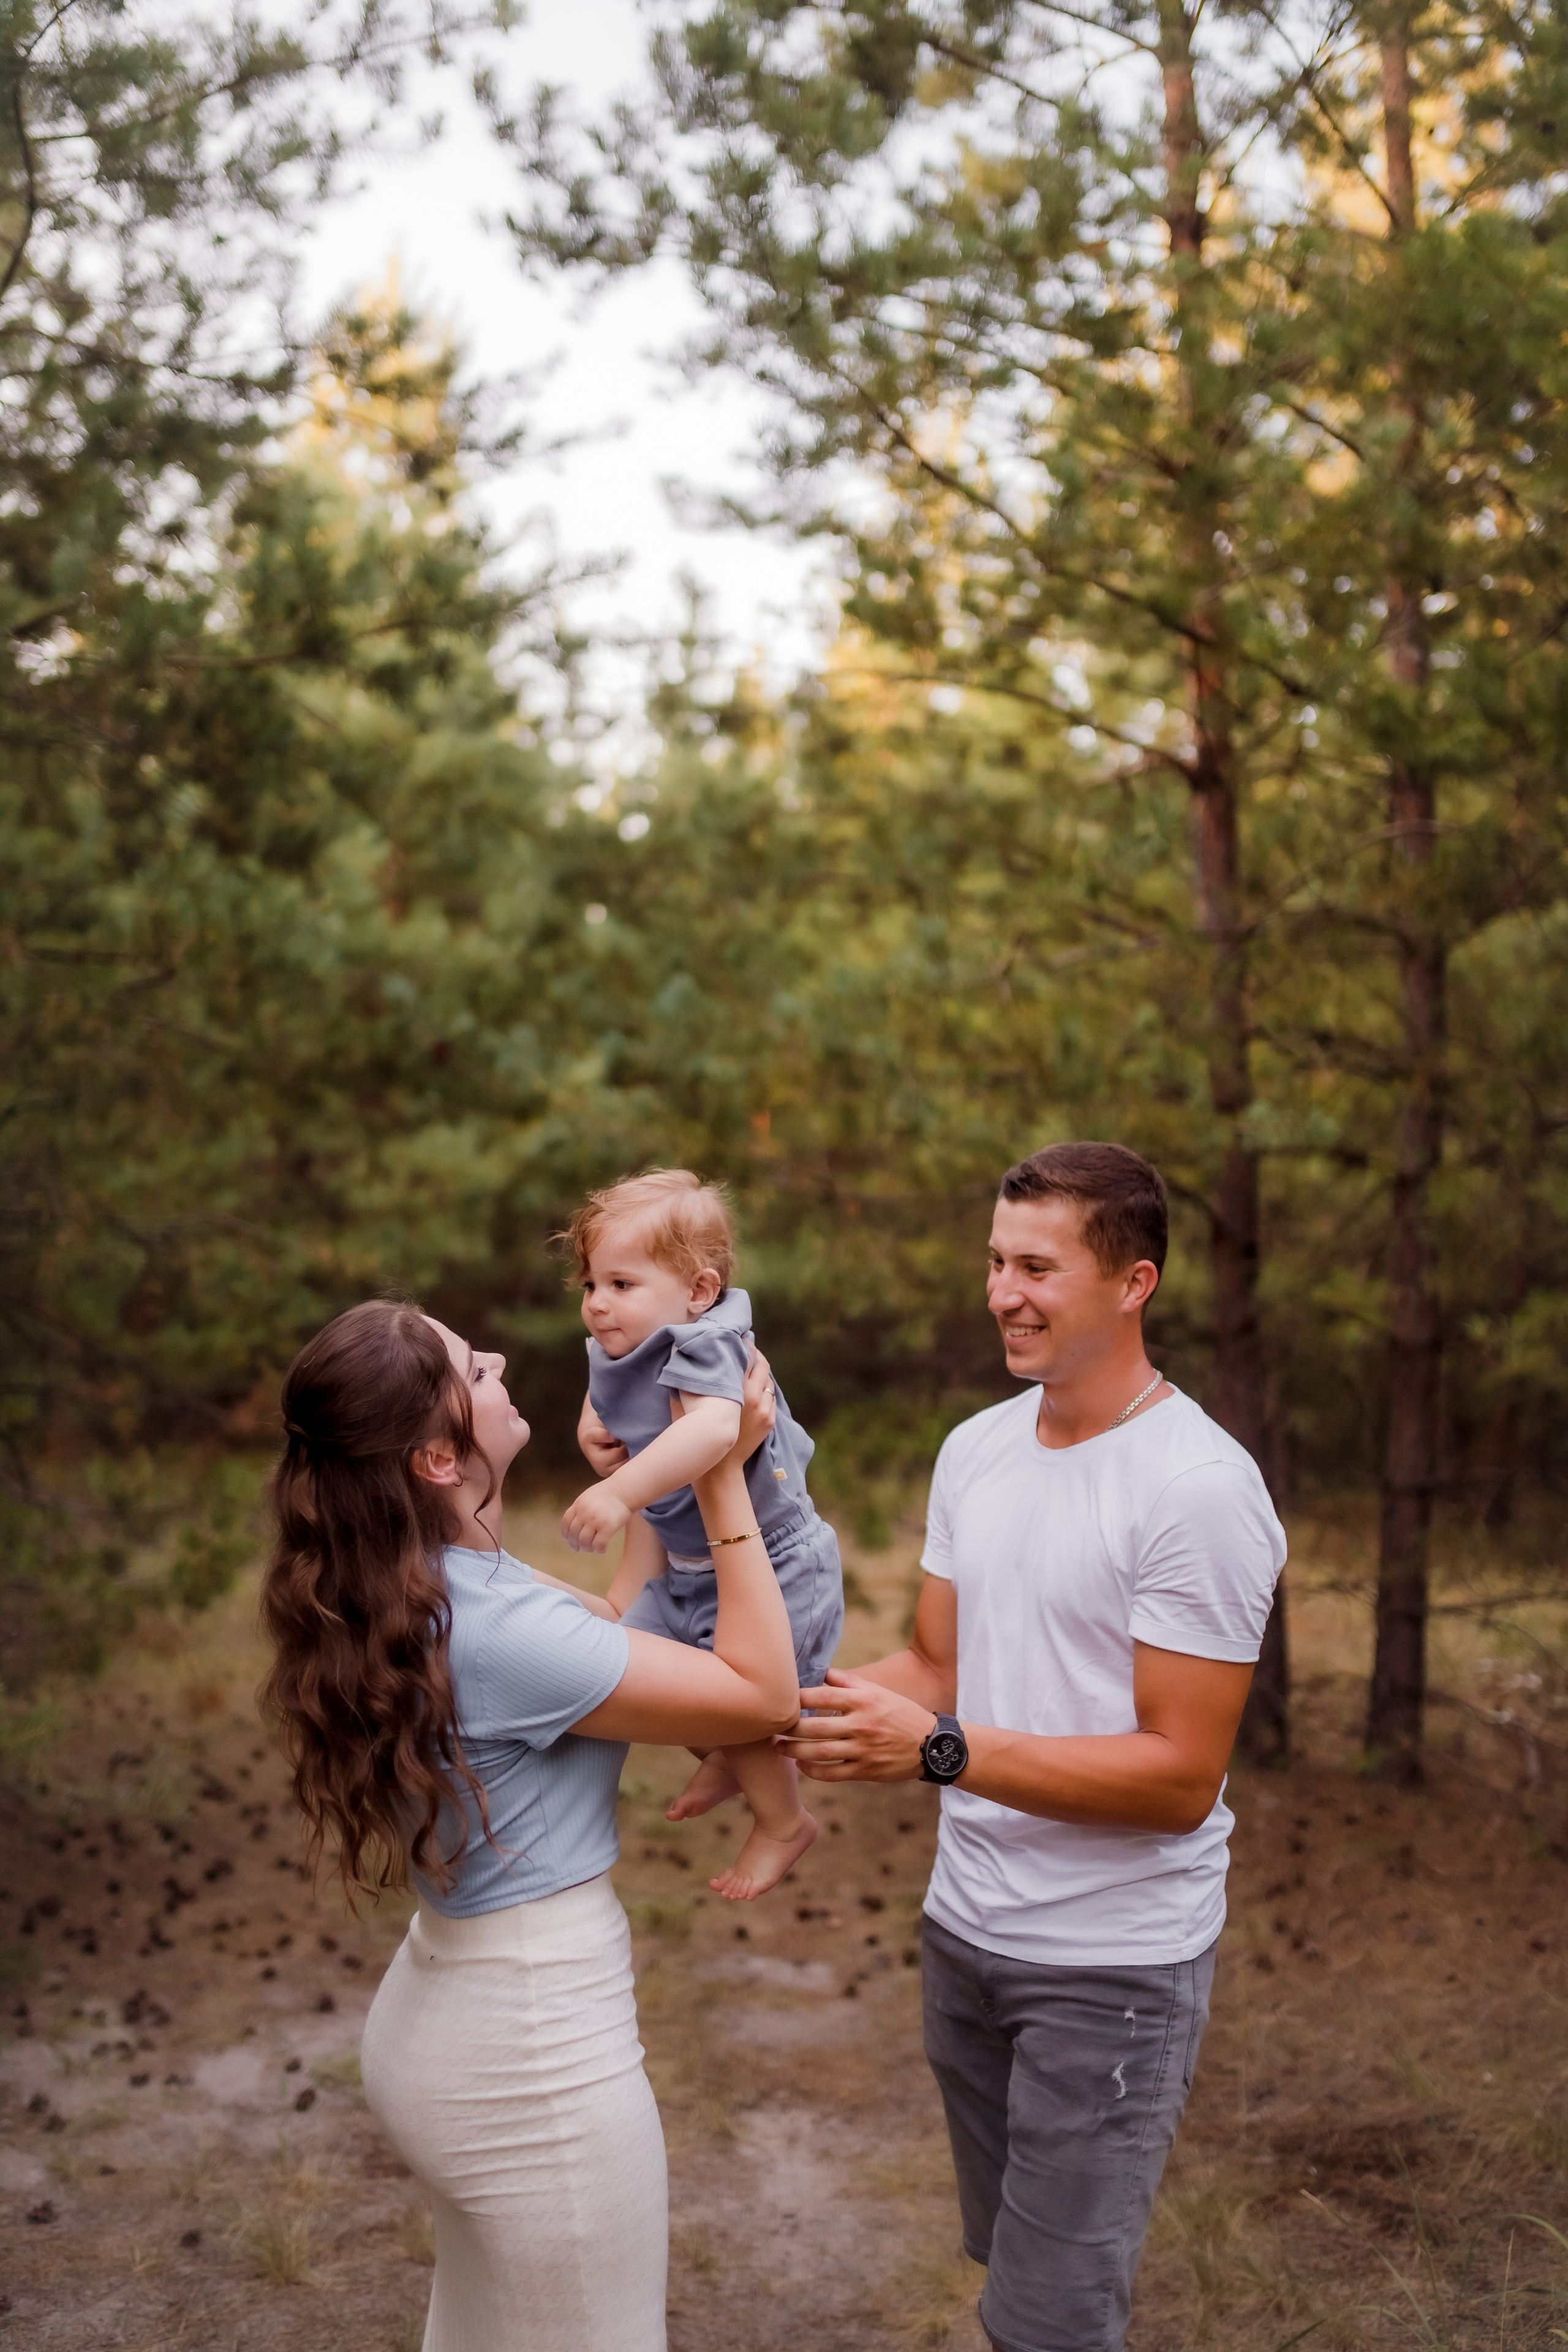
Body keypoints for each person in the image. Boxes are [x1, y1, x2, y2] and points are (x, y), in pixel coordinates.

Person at [783, 1142, 1286, 2352]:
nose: (1002, 1292)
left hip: (1108, 1973)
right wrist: (764, 1718)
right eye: (997, 1262)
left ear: (1133, 1282)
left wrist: (938, 1752)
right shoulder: (977, 1449)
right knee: (1011, 2264)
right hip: (963, 1938)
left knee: (1050, 2322)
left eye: (1037, 1268)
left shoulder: (1197, 1489)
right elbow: (934, 1669)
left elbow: (1179, 1778)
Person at [259, 1297, 796, 2352]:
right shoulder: (493, 1628)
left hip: (458, 2012)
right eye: (475, 1369)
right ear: (435, 1459)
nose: (500, 1359)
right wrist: (721, 1472)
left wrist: (649, 1485)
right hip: (531, 2061)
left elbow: (610, 1633)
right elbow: (762, 1694)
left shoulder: (427, 1586)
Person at [560, 1167, 844, 1900]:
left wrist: (620, 1491)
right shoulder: (629, 1342)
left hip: (772, 1562)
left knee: (739, 1701)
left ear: (699, 1290)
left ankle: (782, 1821)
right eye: (590, 1284)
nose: (597, 1302)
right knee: (650, 1681)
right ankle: (731, 1755)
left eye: (621, 1284)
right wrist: (595, 1428)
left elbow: (717, 1429)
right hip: (689, 1568)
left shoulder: (708, 1342)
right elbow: (614, 1398)